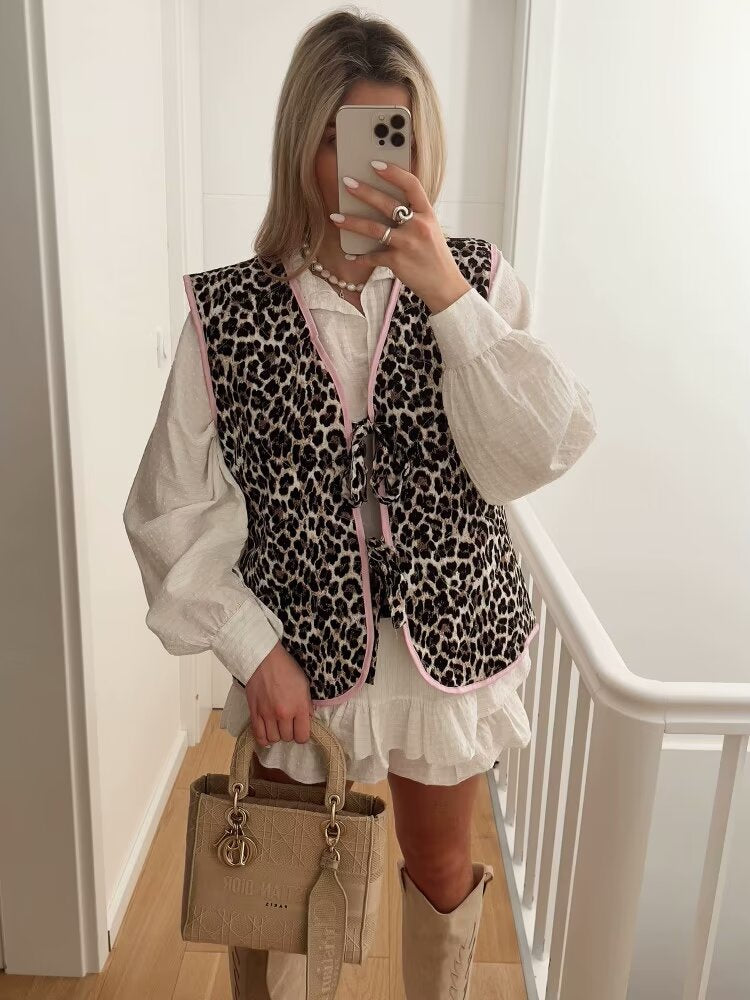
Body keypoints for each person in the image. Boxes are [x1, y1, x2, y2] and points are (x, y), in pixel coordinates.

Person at [123, 8, 597, 999]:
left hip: (444, 644)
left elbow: (534, 451)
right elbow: (169, 510)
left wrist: (447, 299)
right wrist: (252, 648)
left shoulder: (477, 282)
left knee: (441, 868)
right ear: (305, 146)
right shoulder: (230, 311)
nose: (374, 167)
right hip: (298, 651)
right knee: (293, 890)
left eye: (396, 140)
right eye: (347, 139)